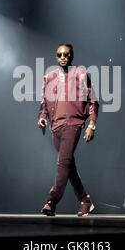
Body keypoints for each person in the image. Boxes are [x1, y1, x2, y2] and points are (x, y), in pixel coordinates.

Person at [37, 43, 99, 217]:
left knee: (62, 163)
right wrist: (41, 117)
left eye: (66, 54)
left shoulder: (81, 74)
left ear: (71, 56)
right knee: (68, 166)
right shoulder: (49, 77)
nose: (62, 57)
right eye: (59, 54)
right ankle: (85, 200)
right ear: (56, 57)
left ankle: (51, 200)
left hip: (73, 124)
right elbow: (43, 102)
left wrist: (91, 125)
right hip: (55, 126)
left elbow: (93, 101)